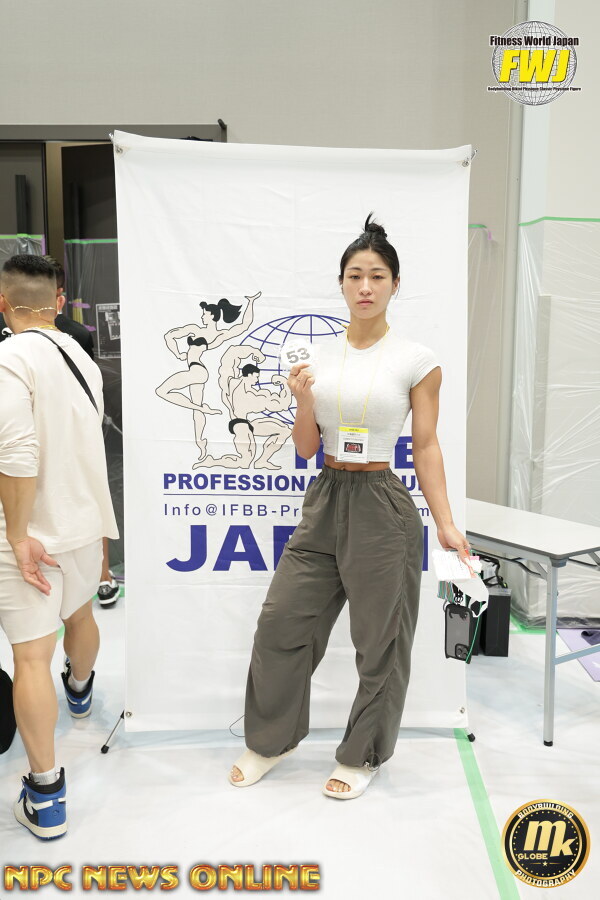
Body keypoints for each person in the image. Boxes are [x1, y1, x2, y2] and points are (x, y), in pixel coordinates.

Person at [229, 215, 472, 800]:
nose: (365, 286)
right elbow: (306, 449)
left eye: (377, 276)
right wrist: (302, 402)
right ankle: (271, 741)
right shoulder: (316, 356)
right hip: (326, 496)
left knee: (380, 640)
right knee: (281, 623)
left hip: (382, 503)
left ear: (395, 284)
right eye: (355, 275)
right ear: (340, 283)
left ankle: (363, 754)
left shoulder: (417, 359)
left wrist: (445, 523)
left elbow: (427, 445)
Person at [0, 254, 118, 839]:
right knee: (81, 615)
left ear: (3, 304)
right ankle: (80, 691)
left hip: (32, 535)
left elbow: (17, 453)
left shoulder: (10, 358)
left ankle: (46, 795)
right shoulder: (81, 357)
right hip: (82, 520)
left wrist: (17, 536)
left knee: (30, 658)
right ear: (60, 304)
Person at [156, 292, 262, 465]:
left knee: (162, 391)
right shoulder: (207, 332)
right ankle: (201, 445)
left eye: (204, 314)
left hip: (197, 371)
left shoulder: (207, 332)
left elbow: (244, 325)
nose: (202, 317)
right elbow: (169, 336)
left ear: (212, 315)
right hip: (197, 372)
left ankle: (204, 410)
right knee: (196, 412)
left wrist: (250, 303)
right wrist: (178, 354)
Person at [199, 345, 292, 470]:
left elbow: (282, 404)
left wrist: (285, 384)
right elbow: (230, 357)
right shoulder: (232, 384)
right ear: (248, 375)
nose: (257, 380)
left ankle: (262, 461)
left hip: (248, 424)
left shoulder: (254, 394)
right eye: (256, 376)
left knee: (285, 430)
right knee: (244, 462)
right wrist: (254, 351)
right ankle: (212, 462)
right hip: (240, 425)